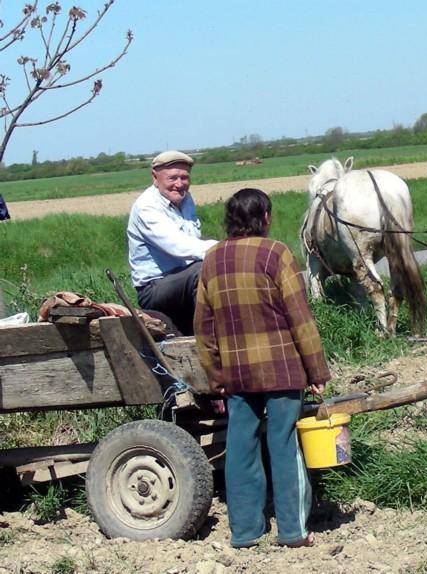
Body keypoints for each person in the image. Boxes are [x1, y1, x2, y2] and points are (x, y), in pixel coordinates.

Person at [194, 187, 331, 549]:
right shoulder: (276, 254)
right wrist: (317, 372)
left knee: (240, 446)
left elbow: (203, 326)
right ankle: (292, 532)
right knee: (284, 444)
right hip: (282, 370)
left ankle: (245, 532)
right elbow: (300, 319)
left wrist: (215, 375)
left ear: (230, 220)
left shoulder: (212, 259)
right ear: (265, 218)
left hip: (238, 375)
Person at [127, 150, 217, 335]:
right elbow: (179, 245)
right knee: (201, 271)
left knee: (211, 267)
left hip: (181, 280)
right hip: (154, 289)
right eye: (172, 178)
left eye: (184, 177)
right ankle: (211, 337)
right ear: (155, 177)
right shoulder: (147, 207)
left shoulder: (185, 200)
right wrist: (226, 249)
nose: (179, 184)